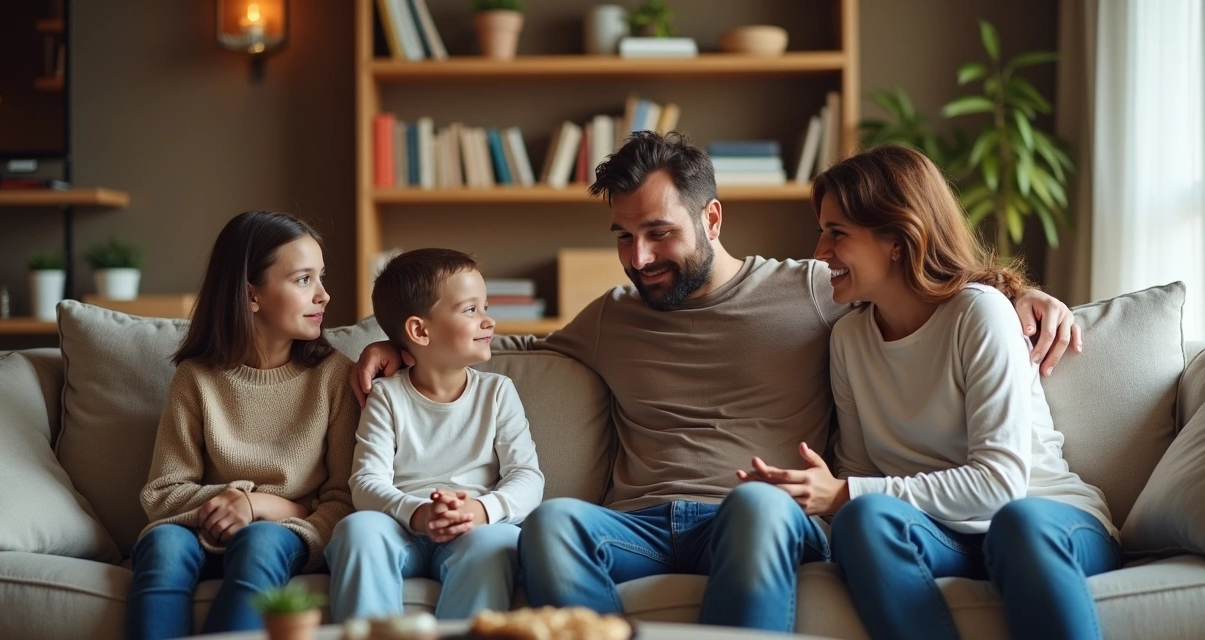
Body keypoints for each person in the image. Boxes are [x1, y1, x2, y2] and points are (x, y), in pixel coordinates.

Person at [349, 132, 1082, 631]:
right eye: (624, 238)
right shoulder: (612, 316)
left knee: (760, 506)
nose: (638, 257)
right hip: (634, 520)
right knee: (551, 521)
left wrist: (1019, 294)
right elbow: (511, 343)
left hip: (749, 511)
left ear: (712, 217)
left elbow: (919, 280)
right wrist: (398, 345)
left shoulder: (815, 291)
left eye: (659, 233)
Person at [740, 144, 1118, 640]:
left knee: (1016, 523)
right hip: (947, 536)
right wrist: (819, 501)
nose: (820, 253)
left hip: (1047, 524)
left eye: (837, 234)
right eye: (821, 232)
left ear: (897, 239)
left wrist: (844, 493)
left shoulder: (978, 313)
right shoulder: (849, 340)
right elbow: (862, 476)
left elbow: (1001, 483)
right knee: (864, 520)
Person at [127, 211, 359, 640]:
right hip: (195, 528)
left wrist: (259, 508)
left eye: (321, 277)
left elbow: (344, 503)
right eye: (304, 280)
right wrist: (232, 502)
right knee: (160, 548)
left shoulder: (335, 377)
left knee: (260, 542)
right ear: (252, 294)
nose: (324, 295)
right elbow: (162, 494)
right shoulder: (196, 378)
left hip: (284, 533)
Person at [326, 248, 544, 621]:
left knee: (497, 542)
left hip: (473, 528)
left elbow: (527, 476)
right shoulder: (386, 395)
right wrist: (419, 513)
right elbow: (365, 481)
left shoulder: (498, 392)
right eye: (471, 310)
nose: (488, 320)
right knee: (357, 530)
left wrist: (481, 510)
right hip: (402, 528)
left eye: (486, 307)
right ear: (419, 331)